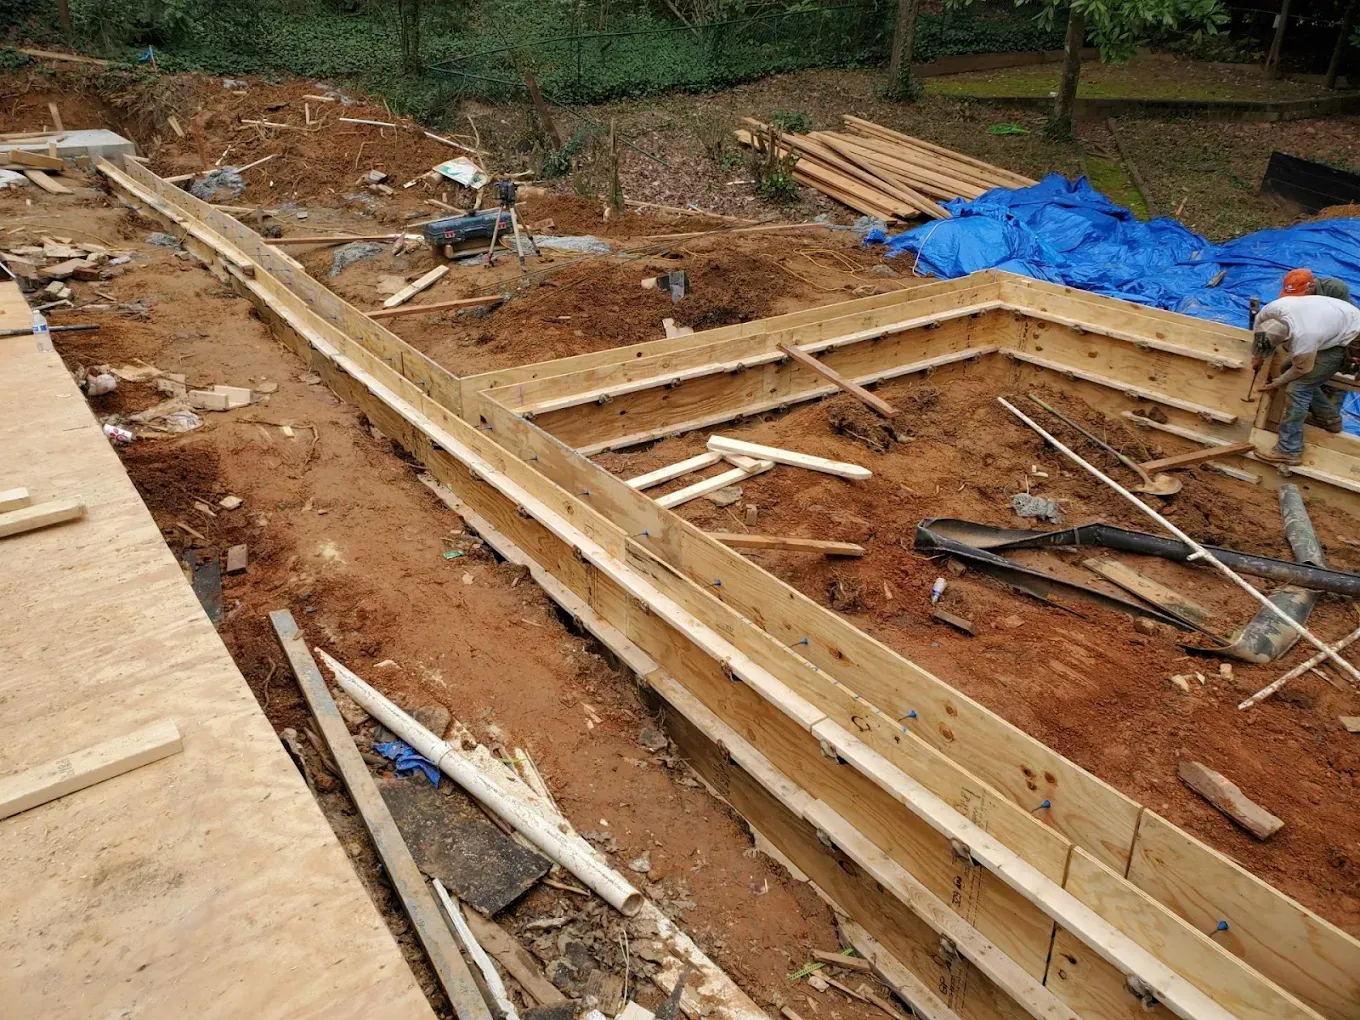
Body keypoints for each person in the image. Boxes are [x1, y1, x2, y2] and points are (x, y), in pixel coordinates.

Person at [1252, 290, 1360, 465]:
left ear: (1286, 338)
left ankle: (1289, 449)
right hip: (1336, 321)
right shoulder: (1268, 312)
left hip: (1350, 337)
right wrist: (1257, 356)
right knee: (1287, 368)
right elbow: (1259, 333)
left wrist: (1276, 383)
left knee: (1298, 389)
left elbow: (1301, 370)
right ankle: (1329, 419)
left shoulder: (1305, 336)